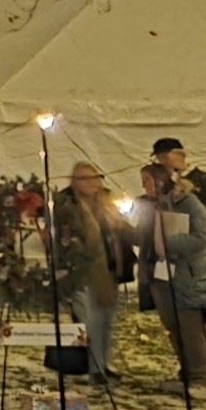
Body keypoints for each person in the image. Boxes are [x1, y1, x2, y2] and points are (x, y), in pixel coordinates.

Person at [152, 136, 206, 379]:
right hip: (187, 259)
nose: (161, 162)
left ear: (175, 155)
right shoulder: (170, 185)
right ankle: (198, 363)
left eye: (163, 157)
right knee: (193, 314)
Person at [136, 161, 206, 397]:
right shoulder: (150, 206)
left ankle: (199, 379)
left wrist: (168, 243)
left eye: (147, 181)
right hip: (160, 276)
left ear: (161, 180)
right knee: (174, 327)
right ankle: (186, 374)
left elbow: (202, 237)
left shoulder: (189, 203)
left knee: (190, 327)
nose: (144, 186)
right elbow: (144, 237)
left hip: (186, 274)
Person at [56, 162, 135, 384]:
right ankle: (93, 367)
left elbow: (124, 230)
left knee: (107, 319)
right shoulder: (68, 205)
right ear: (76, 182)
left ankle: (103, 364)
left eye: (95, 178)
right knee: (90, 319)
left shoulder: (107, 204)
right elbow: (63, 239)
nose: (93, 183)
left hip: (109, 268)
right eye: (86, 179)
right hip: (84, 271)